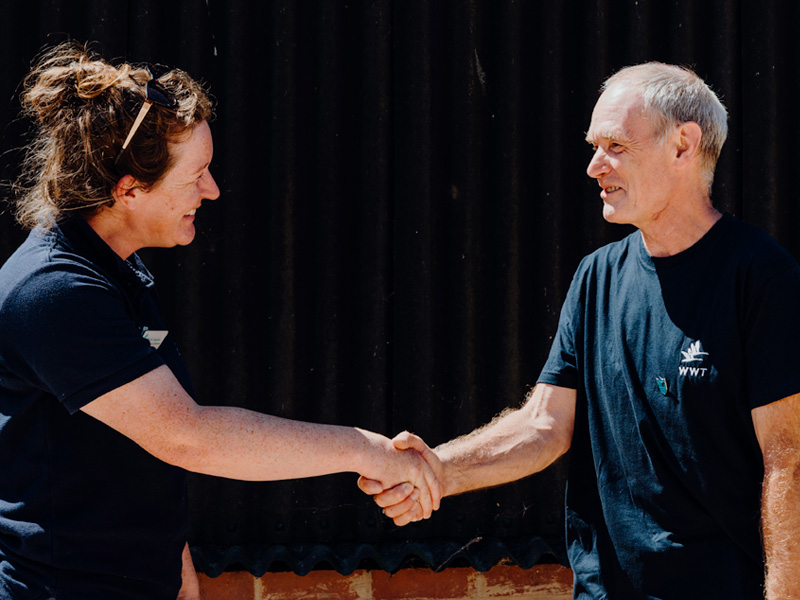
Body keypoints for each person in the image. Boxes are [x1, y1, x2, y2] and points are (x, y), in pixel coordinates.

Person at [0, 41, 439, 600]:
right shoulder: (54, 291)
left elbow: (135, 438)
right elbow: (185, 435)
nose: (211, 190)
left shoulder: (117, 270)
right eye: (196, 175)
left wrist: (176, 564)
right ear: (128, 189)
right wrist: (364, 449)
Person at [360, 62, 800, 599]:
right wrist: (437, 470)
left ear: (683, 145)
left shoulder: (762, 277)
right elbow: (544, 424)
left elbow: (788, 460)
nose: (595, 166)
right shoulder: (596, 277)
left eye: (615, 145)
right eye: (594, 146)